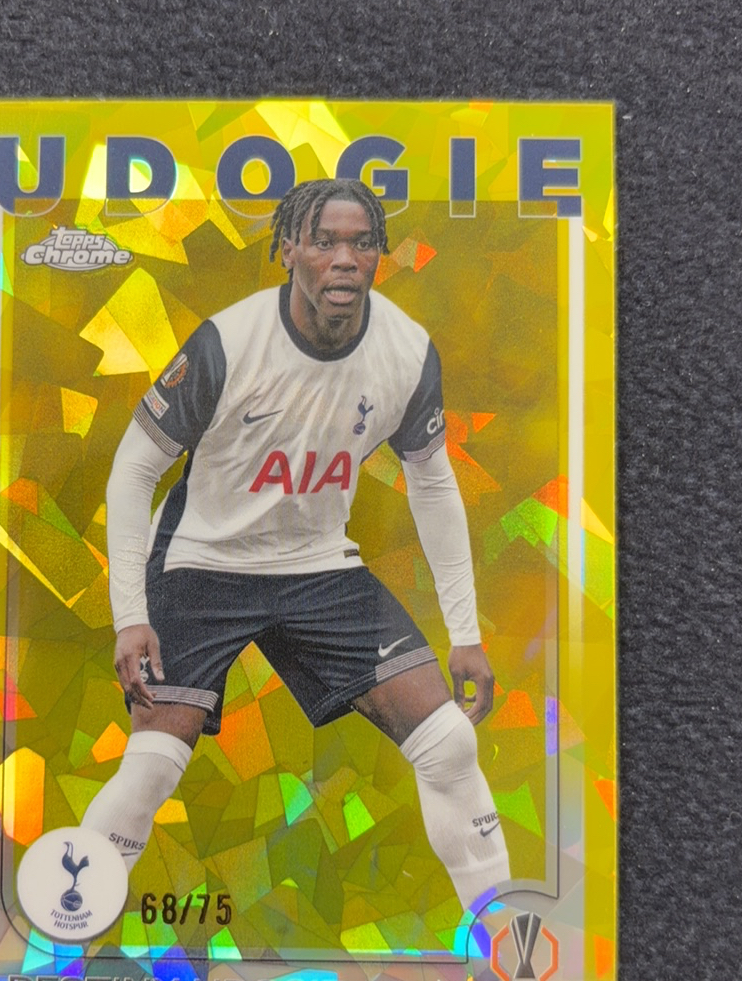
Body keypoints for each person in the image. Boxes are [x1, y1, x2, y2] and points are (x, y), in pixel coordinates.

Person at [82, 178, 509, 913]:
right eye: (324, 241)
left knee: (450, 744)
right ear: (287, 251)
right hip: (203, 563)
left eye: (361, 243)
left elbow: (434, 484)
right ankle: (66, 926)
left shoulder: (407, 352)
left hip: (317, 566)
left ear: (378, 256)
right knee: (151, 768)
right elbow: (134, 469)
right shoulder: (228, 343)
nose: (344, 259)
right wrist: (131, 615)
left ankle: (507, 935)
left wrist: (464, 632)